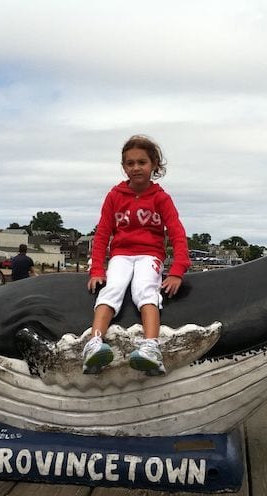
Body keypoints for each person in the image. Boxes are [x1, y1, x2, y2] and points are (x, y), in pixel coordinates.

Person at [82, 135, 190, 376]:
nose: (136, 168)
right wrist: (97, 269)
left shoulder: (161, 198)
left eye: (142, 162)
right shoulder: (115, 196)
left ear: (154, 165)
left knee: (145, 289)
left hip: (149, 255)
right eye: (130, 163)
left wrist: (177, 271)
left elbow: (177, 235)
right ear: (124, 167)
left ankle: (151, 345)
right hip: (121, 254)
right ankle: (95, 343)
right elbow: (102, 235)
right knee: (112, 289)